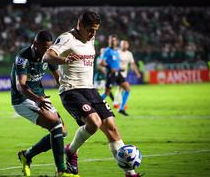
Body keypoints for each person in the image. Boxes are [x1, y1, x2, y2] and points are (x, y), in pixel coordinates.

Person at [43, 11, 142, 177]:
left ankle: (130, 174)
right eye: (90, 29)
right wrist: (64, 60)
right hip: (71, 90)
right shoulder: (67, 38)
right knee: (94, 122)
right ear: (79, 25)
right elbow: (48, 56)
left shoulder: (91, 38)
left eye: (96, 30)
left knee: (112, 127)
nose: (93, 33)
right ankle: (71, 151)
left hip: (90, 89)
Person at [10, 30, 76, 177]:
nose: (47, 51)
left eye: (49, 47)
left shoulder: (48, 57)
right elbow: (21, 86)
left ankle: (27, 155)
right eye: (44, 47)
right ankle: (61, 170)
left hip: (39, 96)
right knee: (55, 124)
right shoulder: (23, 57)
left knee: (62, 132)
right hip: (22, 99)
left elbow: (58, 77)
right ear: (35, 44)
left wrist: (68, 89)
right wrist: (37, 99)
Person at [114, 40, 141, 116]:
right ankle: (120, 106)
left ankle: (119, 104)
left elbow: (132, 64)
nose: (123, 45)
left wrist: (137, 73)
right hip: (117, 74)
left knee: (120, 89)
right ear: (120, 45)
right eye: (122, 44)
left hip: (124, 75)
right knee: (125, 89)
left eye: (125, 44)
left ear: (128, 45)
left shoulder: (129, 54)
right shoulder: (117, 53)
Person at [99, 35, 121, 106]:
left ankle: (117, 103)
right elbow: (102, 63)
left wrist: (119, 68)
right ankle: (96, 103)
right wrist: (110, 67)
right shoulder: (107, 51)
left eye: (114, 40)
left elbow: (116, 63)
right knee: (107, 92)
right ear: (109, 41)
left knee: (109, 91)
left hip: (116, 73)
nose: (112, 42)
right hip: (110, 74)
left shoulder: (116, 51)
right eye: (111, 40)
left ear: (116, 42)